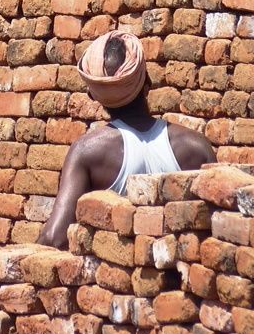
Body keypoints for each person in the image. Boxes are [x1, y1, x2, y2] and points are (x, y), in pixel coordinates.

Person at [36, 29, 213, 248]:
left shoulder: (88, 151)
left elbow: (56, 237)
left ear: (93, 95)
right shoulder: (197, 146)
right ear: (147, 81)